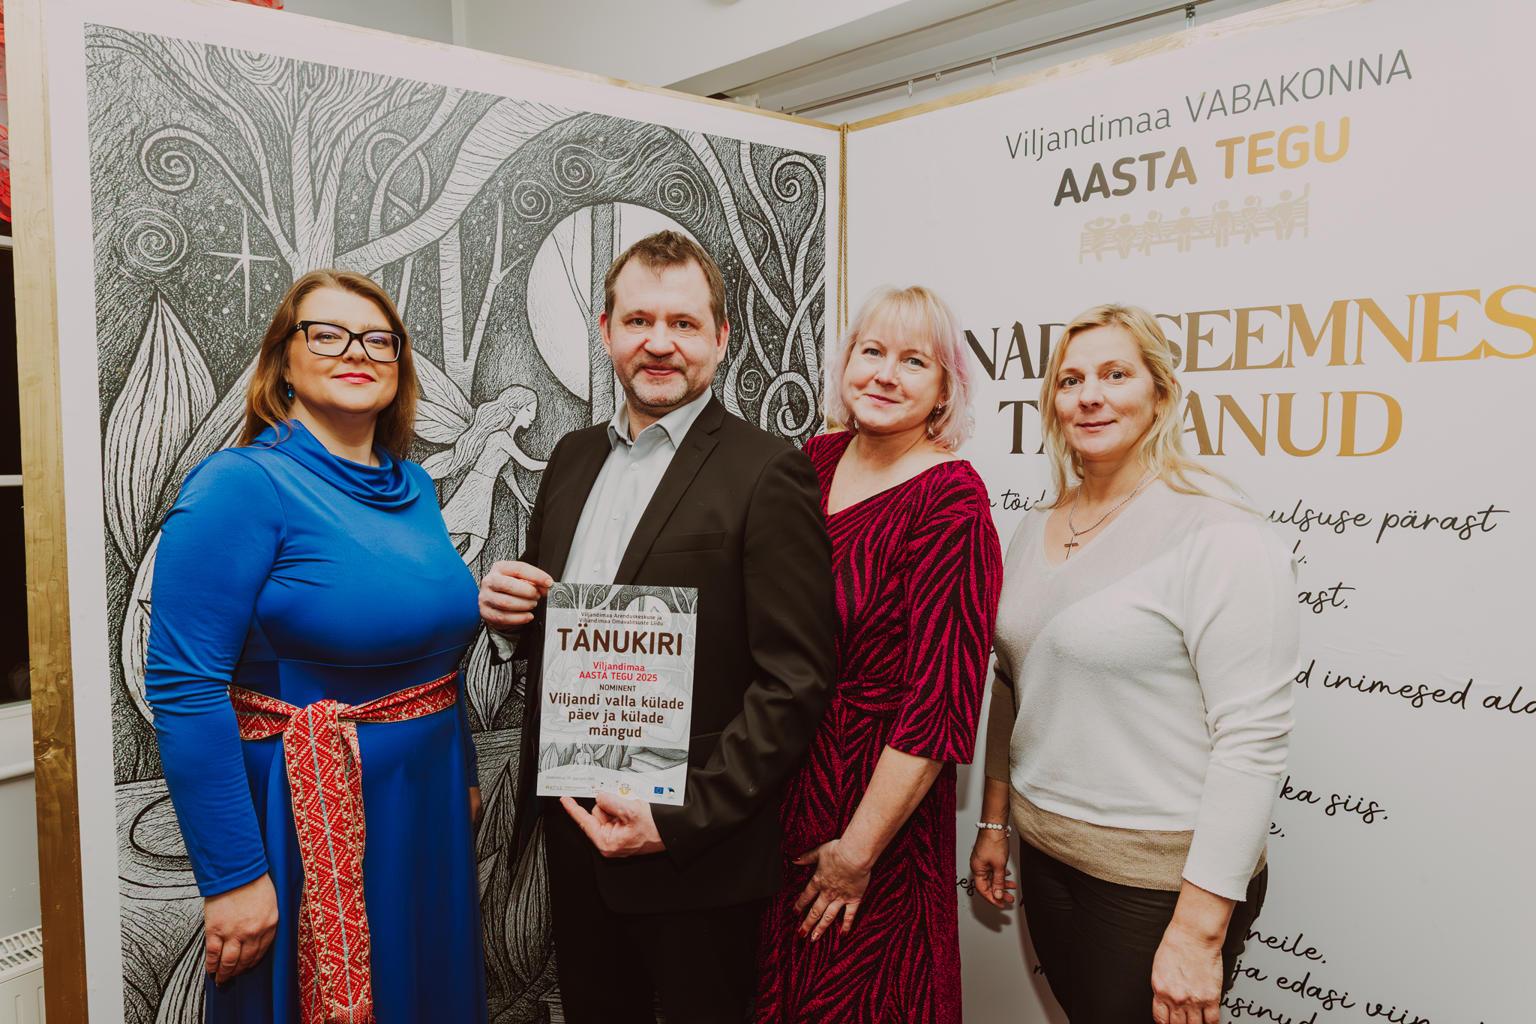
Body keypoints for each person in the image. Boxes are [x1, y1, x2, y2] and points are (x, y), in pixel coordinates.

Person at [478, 230, 836, 1024]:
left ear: (721, 337)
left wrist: (679, 819)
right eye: (639, 320)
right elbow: (568, 628)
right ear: (606, 331)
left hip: (696, 853)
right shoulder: (572, 459)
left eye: (683, 323)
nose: (660, 343)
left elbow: (795, 680)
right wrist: (510, 619)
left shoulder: (766, 470)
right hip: (575, 829)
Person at [145, 270, 487, 1023]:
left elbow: (436, 652)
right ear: (283, 362)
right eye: (326, 334)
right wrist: (234, 877)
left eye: (378, 340)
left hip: (425, 803)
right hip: (303, 814)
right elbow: (183, 685)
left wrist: (460, 772)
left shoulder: (417, 486)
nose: (355, 351)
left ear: (399, 366)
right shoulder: (239, 485)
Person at [969, 303, 1297, 1024]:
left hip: (1159, 882)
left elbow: (1253, 740)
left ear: (1161, 392)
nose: (1090, 395)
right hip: (1047, 853)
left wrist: (1200, 932)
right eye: (1071, 380)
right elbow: (1012, 680)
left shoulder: (1220, 531)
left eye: (1116, 374)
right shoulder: (1035, 525)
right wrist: (995, 822)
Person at [754, 286, 1002, 1024]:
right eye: (872, 352)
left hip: (873, 818)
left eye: (914, 361)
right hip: (783, 795)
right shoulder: (814, 461)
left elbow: (940, 707)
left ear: (944, 389)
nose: (886, 375)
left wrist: (856, 854)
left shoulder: (952, 503)